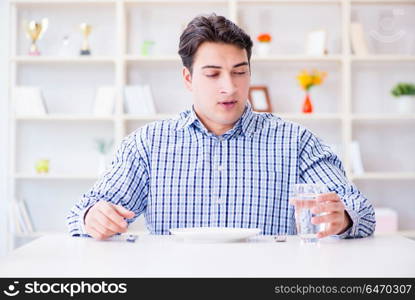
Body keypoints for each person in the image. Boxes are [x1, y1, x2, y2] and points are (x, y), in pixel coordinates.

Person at [67, 14, 375, 240]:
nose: (229, 87)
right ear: (188, 78)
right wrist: (92, 218)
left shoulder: (296, 142)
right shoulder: (148, 144)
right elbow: (82, 212)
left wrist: (344, 218)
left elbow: (361, 211)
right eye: (213, 74)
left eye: (239, 72)